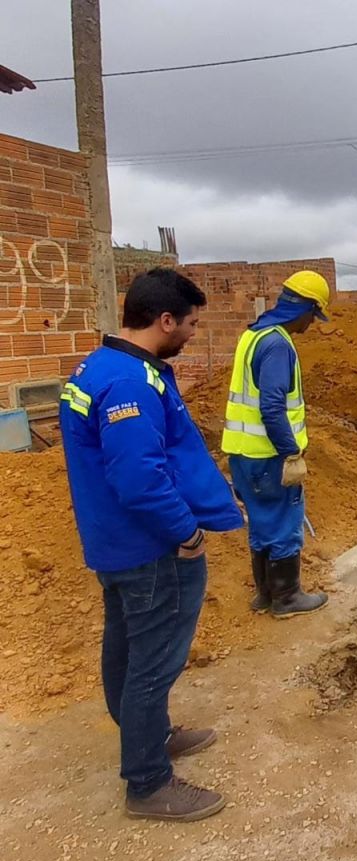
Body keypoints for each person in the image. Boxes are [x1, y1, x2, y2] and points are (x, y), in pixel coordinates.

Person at [59, 268, 244, 822]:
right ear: (164, 321)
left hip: (117, 544)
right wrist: (185, 532)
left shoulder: (103, 365)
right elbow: (139, 477)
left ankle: (152, 735)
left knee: (126, 647)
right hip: (148, 549)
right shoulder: (130, 385)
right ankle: (147, 783)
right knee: (152, 662)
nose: (192, 333)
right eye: (189, 324)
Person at [222, 270, 332, 619]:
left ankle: (265, 595)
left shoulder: (252, 336)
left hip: (243, 455)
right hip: (269, 457)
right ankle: (287, 597)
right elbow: (271, 406)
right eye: (313, 316)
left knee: (261, 521)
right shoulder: (277, 345)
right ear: (304, 309)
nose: (311, 325)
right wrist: (291, 451)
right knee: (285, 521)